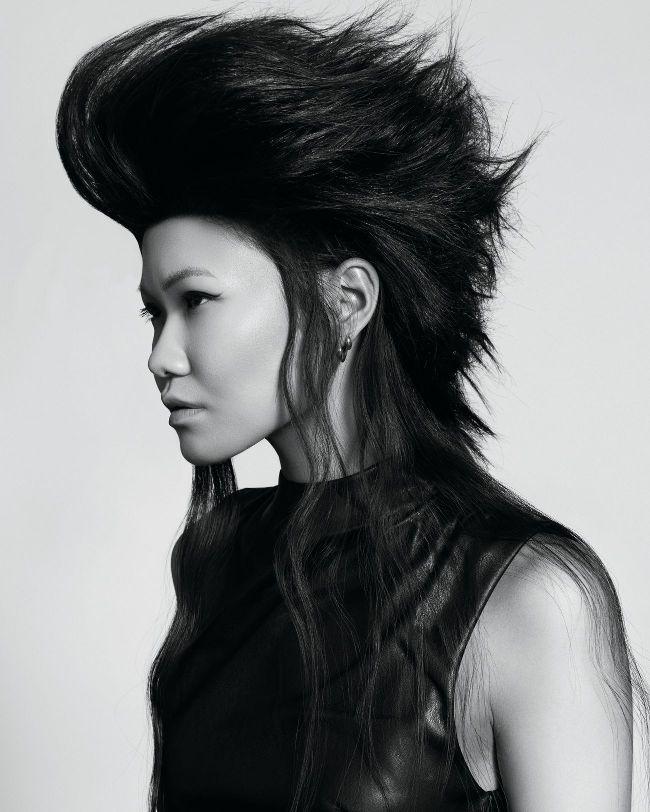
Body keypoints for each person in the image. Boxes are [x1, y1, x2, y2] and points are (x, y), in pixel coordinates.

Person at [54, 8, 650, 811]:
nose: (162, 355)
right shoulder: (218, 559)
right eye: (154, 312)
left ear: (347, 301)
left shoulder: (531, 598)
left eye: (196, 300)